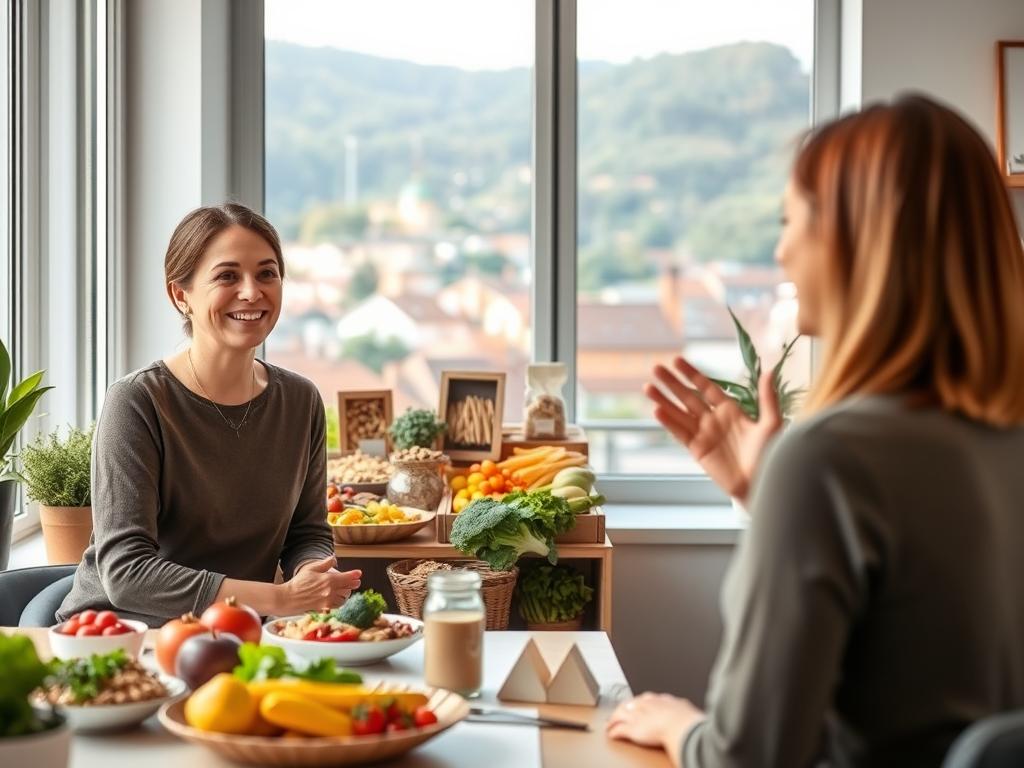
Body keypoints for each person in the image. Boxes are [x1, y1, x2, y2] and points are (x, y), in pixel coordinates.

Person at [607, 94, 1024, 767]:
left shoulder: (835, 459)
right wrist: (764, 495)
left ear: (859, 239)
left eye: (789, 220)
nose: (780, 250)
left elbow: (751, 758)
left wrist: (681, 726)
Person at [57, 203, 361, 626]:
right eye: (227, 276)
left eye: (267, 273)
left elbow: (306, 533)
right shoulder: (136, 402)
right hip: (120, 634)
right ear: (181, 296)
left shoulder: (301, 400)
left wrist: (310, 571)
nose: (252, 292)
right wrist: (280, 598)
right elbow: (126, 574)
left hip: (230, 632)